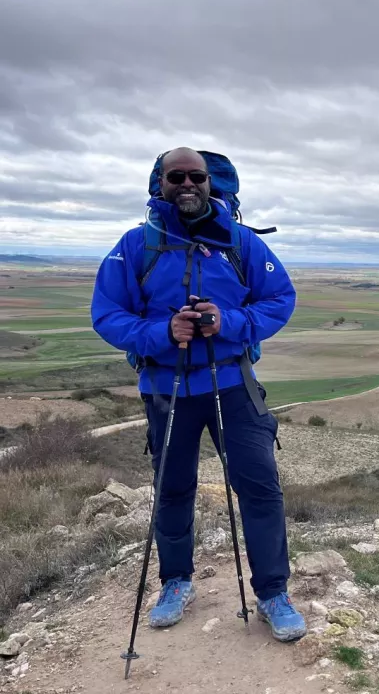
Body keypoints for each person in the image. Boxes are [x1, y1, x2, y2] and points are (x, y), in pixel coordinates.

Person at [90, 147, 306, 642]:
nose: (187, 183)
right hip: (167, 390)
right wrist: (164, 331)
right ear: (158, 184)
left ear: (212, 184)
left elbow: (280, 299)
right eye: (176, 176)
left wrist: (226, 322)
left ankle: (274, 593)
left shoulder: (241, 243)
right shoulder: (134, 246)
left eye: (196, 176)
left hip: (232, 385)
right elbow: (107, 315)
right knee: (172, 488)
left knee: (259, 488)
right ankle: (176, 583)